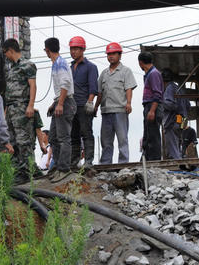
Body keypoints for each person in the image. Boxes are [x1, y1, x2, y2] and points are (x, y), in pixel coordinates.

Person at [95, 42, 137, 164]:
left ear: (120, 55)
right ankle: (105, 164)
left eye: (113, 54)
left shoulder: (125, 71)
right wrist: (96, 107)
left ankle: (123, 163)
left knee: (122, 139)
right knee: (106, 141)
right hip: (106, 111)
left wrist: (129, 103)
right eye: (109, 54)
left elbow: (128, 88)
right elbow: (100, 93)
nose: (111, 56)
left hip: (120, 110)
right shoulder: (104, 73)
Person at [2, 38, 37, 184]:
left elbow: (33, 86)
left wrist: (30, 105)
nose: (5, 56)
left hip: (22, 107)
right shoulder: (10, 68)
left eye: (5, 52)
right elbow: (9, 92)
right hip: (11, 109)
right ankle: (17, 171)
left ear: (10, 50)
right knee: (12, 140)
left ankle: (28, 171)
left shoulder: (27, 65)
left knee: (24, 141)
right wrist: (5, 112)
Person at [44, 37, 76, 183]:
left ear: (47, 50)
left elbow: (66, 83)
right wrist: (55, 103)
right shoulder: (56, 63)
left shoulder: (60, 63)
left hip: (66, 102)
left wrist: (61, 103)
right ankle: (57, 166)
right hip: (61, 100)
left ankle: (64, 169)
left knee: (63, 138)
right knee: (53, 138)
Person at [69, 36, 98, 170]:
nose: (73, 51)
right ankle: (74, 162)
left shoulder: (90, 67)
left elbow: (93, 86)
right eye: (71, 49)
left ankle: (88, 162)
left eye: (76, 49)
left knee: (86, 133)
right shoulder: (70, 67)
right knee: (73, 135)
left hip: (83, 105)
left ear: (83, 49)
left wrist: (90, 101)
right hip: (71, 105)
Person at [137, 52, 164, 160]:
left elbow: (157, 93)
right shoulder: (149, 73)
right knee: (148, 134)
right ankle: (147, 159)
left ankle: (154, 160)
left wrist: (152, 110)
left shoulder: (154, 74)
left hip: (153, 106)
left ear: (141, 62)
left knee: (153, 135)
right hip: (149, 105)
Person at [162, 67, 191, 160]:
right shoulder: (179, 88)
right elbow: (188, 105)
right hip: (184, 120)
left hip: (174, 120)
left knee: (172, 141)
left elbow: (170, 105)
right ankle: (180, 158)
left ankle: (177, 161)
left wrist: (159, 102)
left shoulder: (169, 88)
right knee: (179, 140)